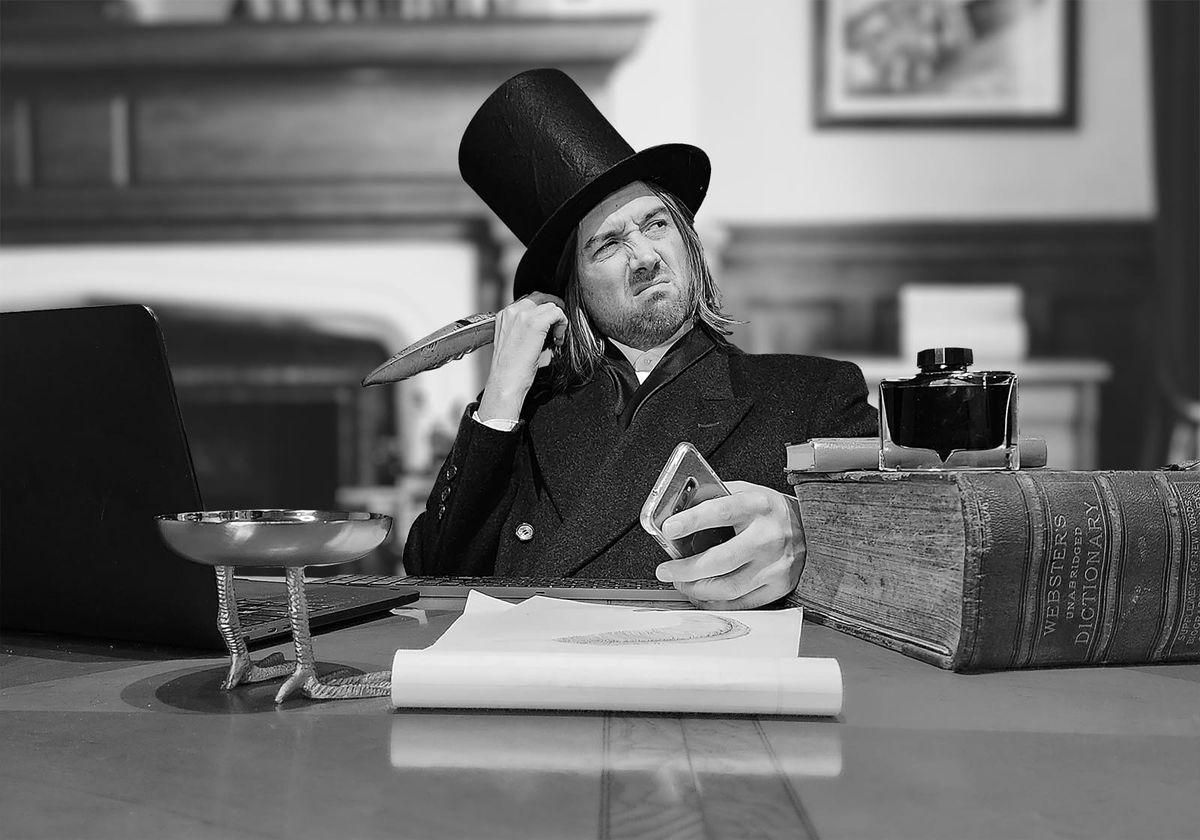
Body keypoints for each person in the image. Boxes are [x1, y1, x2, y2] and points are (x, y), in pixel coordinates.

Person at [403, 69, 876, 609]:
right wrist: (501, 397)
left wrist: (806, 535)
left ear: (688, 243)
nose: (646, 257)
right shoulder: (519, 421)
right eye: (607, 245)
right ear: (572, 288)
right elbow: (433, 578)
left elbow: (894, 563)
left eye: (656, 225)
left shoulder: (812, 392)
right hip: (537, 685)